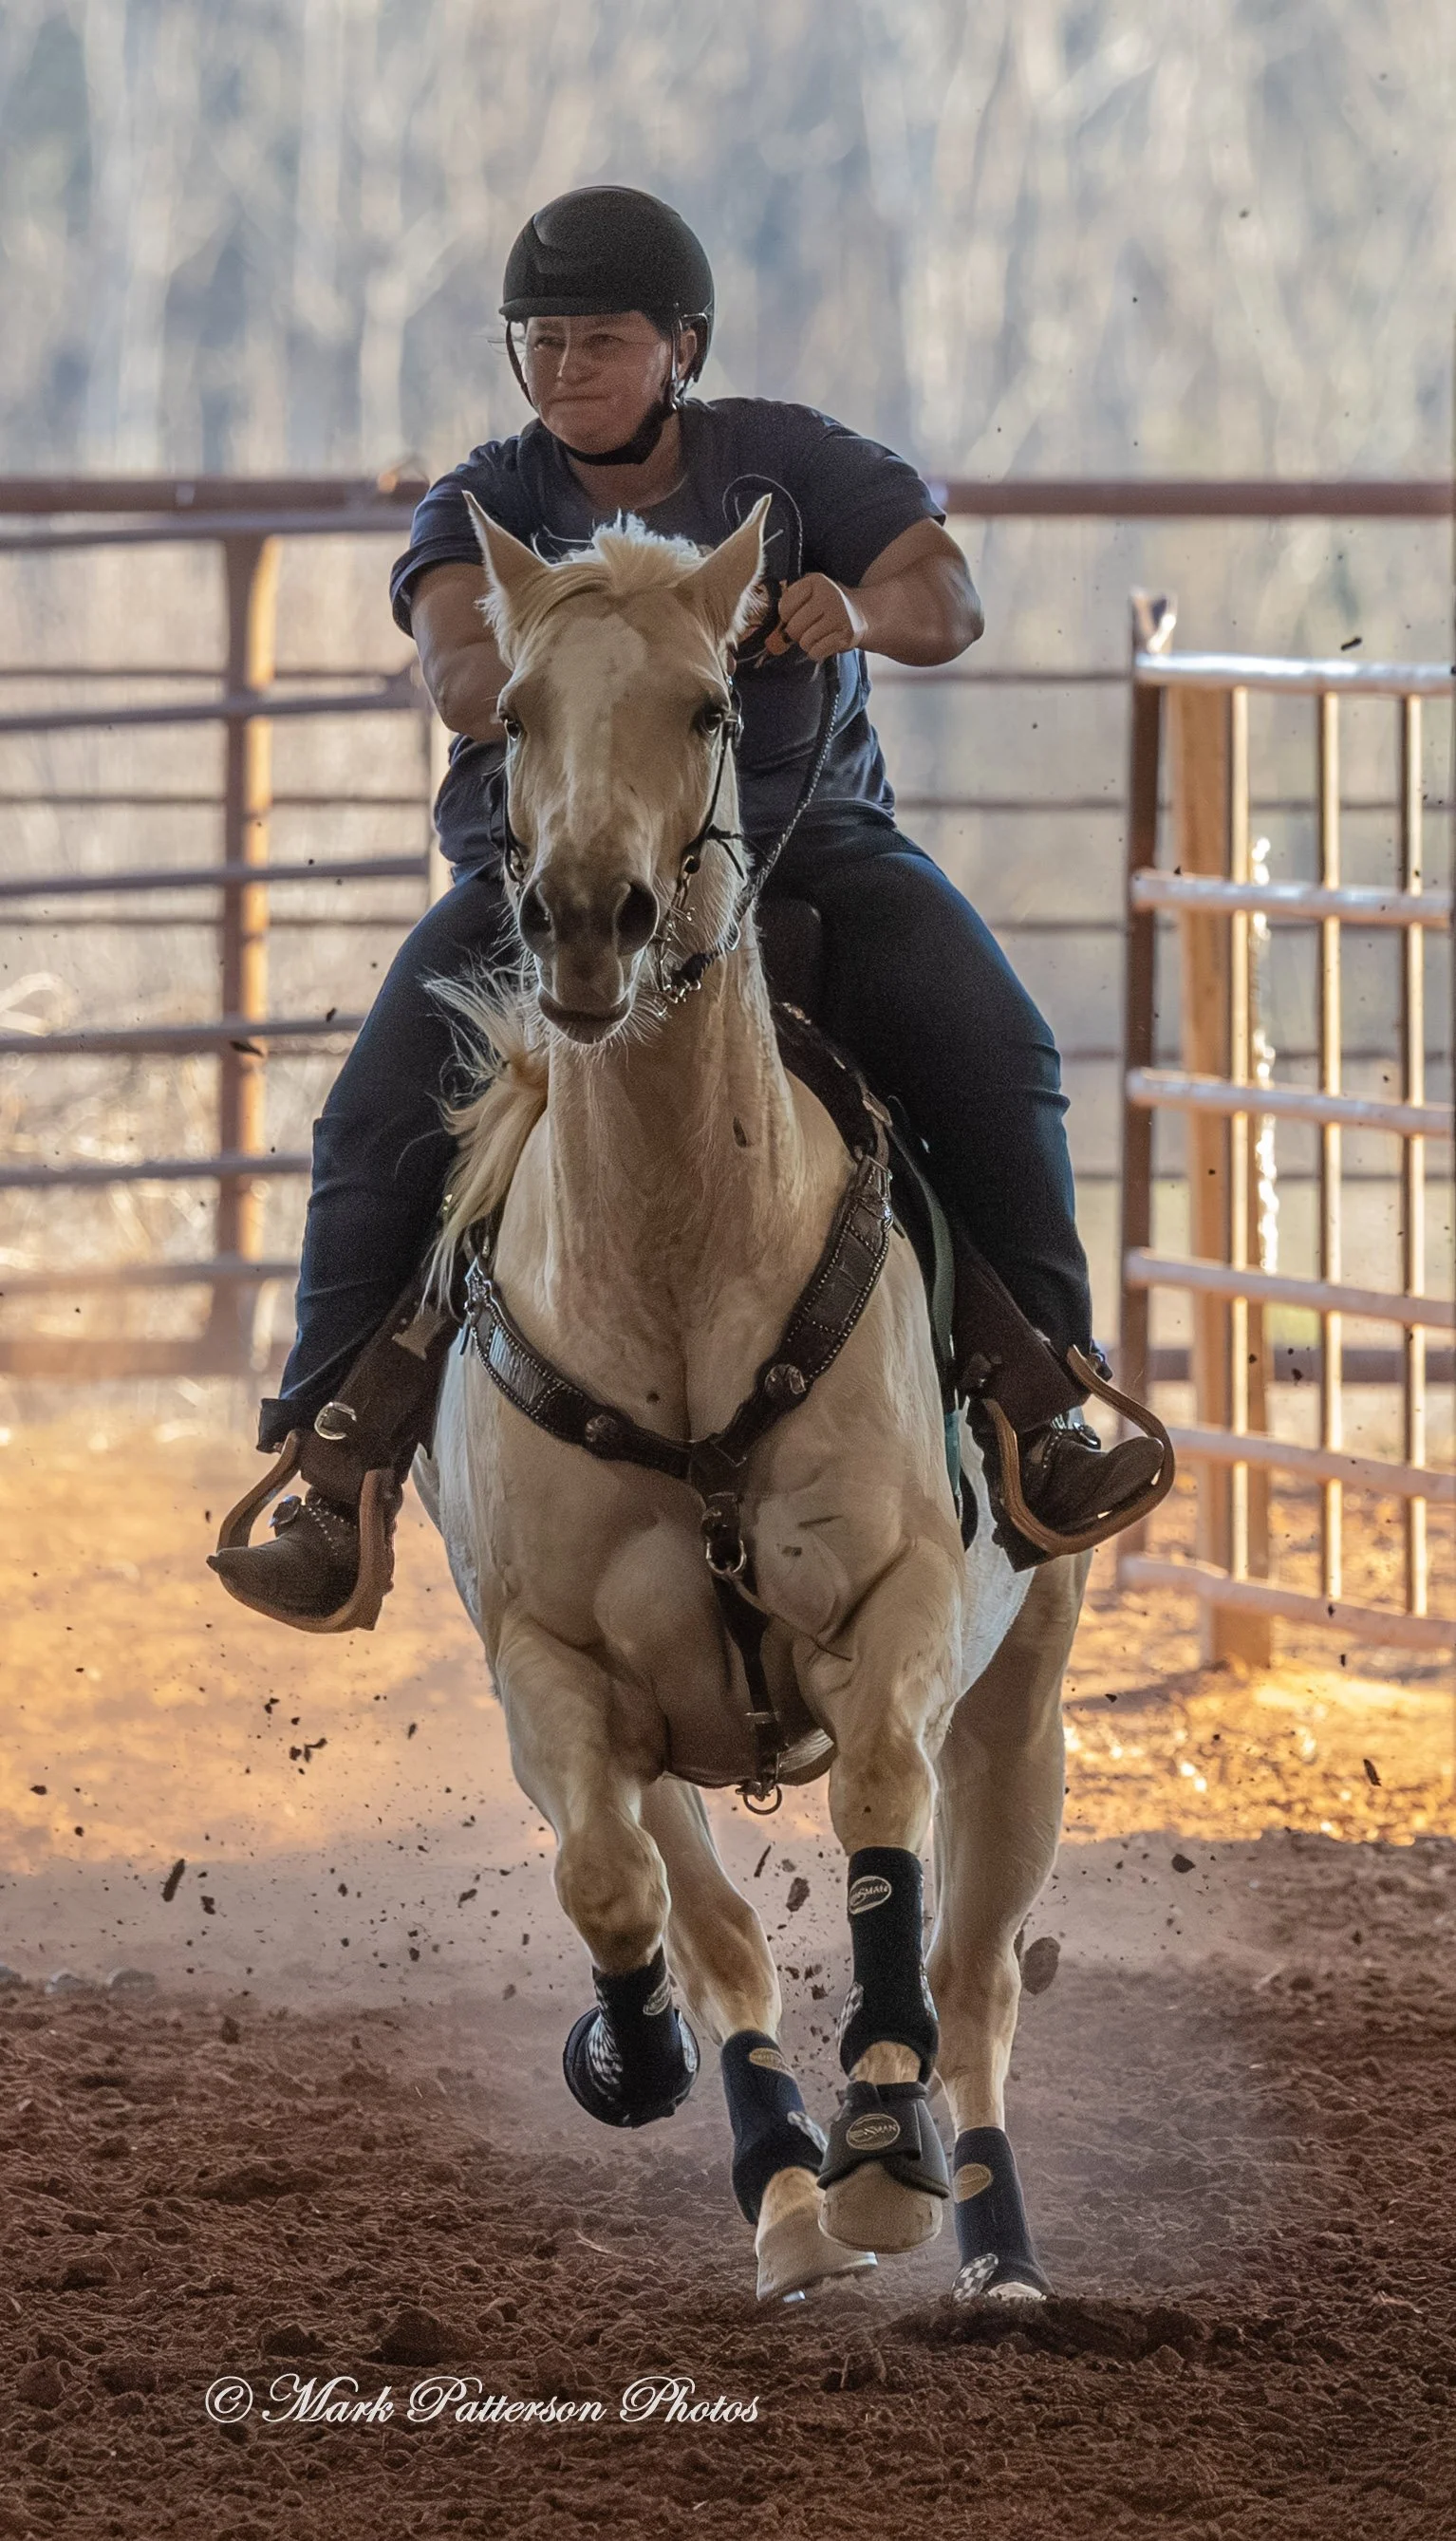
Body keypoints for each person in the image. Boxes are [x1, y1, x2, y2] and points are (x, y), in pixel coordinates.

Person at [211, 185, 1162, 1625]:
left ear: (682, 349)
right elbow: (461, 674)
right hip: (543, 879)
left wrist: (859, 607)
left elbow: (947, 599)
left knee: (995, 1045)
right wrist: (592, 629)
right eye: (539, 342)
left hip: (811, 853)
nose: (564, 369)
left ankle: (1043, 1402)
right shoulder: (482, 504)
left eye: (601, 340)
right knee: (375, 1110)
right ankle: (333, 1469)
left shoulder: (786, 464)